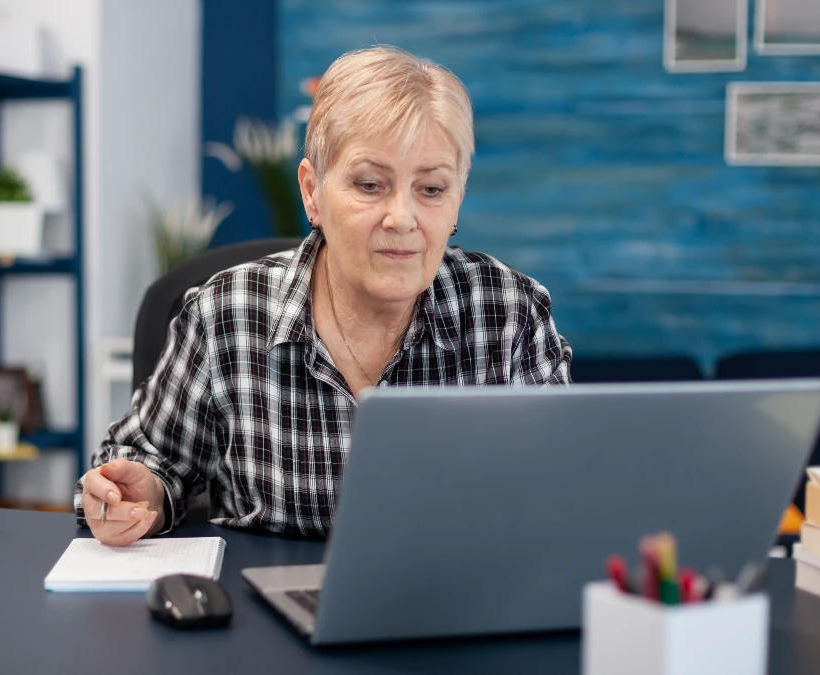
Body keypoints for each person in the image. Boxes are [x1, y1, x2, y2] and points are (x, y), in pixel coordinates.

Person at [77, 45, 572, 544]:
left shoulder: (510, 313)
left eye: (432, 190)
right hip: (264, 609)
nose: (402, 218)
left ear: (458, 195)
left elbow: (565, 491)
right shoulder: (225, 312)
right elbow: (144, 461)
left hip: (455, 608)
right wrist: (141, 497)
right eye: (370, 184)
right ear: (312, 192)